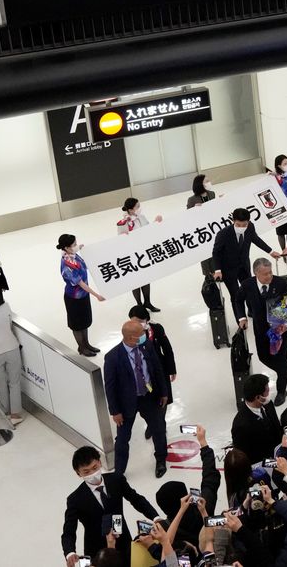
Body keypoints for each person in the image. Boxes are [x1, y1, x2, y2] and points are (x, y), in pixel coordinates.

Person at [61, 445, 159, 567]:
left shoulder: (116, 479)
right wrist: (70, 552)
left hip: (123, 541)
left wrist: (155, 517)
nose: (92, 473)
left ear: (100, 462)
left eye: (94, 467)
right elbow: (69, 530)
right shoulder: (75, 499)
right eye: (86, 472)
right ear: (78, 473)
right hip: (97, 550)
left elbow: (136, 499)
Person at [103, 319, 170, 477]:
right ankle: (119, 472)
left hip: (149, 396)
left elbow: (157, 369)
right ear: (131, 338)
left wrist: (164, 392)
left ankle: (161, 460)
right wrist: (115, 411)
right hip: (126, 403)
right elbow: (110, 387)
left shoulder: (147, 346)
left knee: (158, 430)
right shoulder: (113, 357)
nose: (144, 335)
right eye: (141, 334)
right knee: (122, 439)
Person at [212, 207, 281, 325]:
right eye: (238, 224)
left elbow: (256, 239)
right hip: (228, 269)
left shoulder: (250, 227)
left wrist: (270, 251)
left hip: (244, 265)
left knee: (250, 290)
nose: (242, 227)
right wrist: (218, 270)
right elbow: (216, 252)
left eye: (244, 224)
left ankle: (252, 311)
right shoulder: (223, 234)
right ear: (233, 221)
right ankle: (240, 319)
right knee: (235, 295)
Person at [238, 258, 287, 404]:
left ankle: (281, 390)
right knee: (263, 357)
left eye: (270, 273)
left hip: (280, 331)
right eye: (265, 274)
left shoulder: (280, 283)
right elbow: (238, 300)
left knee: (281, 362)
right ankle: (284, 367)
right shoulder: (247, 285)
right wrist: (242, 317)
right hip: (261, 330)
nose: (269, 276)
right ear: (256, 274)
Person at [128, 305, 175, 442]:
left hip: (160, 371)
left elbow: (167, 349)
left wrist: (172, 369)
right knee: (149, 399)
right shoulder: (130, 332)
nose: (136, 324)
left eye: (139, 321)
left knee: (163, 398)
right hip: (143, 375)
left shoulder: (157, 329)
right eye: (133, 321)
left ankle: (160, 423)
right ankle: (152, 422)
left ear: (146, 320)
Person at [58, 234, 103, 357]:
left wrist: (82, 248)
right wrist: (96, 295)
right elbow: (81, 284)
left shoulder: (73, 255)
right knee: (77, 325)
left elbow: (85, 265)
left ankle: (87, 344)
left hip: (83, 296)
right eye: (73, 245)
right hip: (74, 298)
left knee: (85, 321)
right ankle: (82, 348)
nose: (76, 246)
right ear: (66, 248)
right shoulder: (67, 264)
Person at [116, 197, 164, 312]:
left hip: (143, 252)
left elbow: (148, 230)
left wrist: (156, 222)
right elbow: (120, 239)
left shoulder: (141, 217)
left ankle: (147, 302)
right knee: (136, 281)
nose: (139, 208)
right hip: (131, 254)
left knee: (146, 278)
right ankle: (139, 305)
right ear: (131, 210)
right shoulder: (123, 222)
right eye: (137, 206)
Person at [0, 283, 23, 425]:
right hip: (11, 348)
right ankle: (16, 415)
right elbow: (9, 325)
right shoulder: (5, 307)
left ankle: (6, 412)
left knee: (0, 384)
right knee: (14, 382)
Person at [230, 373, 281, 462]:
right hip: (263, 465)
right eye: (267, 391)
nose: (269, 393)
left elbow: (277, 428)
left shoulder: (268, 404)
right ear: (258, 397)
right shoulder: (241, 425)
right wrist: (273, 463)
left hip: (279, 455)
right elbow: (244, 457)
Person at [187, 174, 218, 275]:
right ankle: (207, 274)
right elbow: (187, 216)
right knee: (205, 252)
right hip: (201, 229)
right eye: (206, 181)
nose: (209, 182)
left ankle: (216, 271)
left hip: (213, 226)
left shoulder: (212, 194)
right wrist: (194, 210)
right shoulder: (192, 199)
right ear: (200, 184)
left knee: (215, 250)